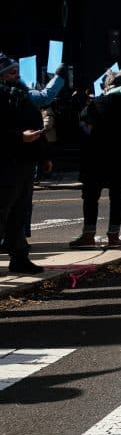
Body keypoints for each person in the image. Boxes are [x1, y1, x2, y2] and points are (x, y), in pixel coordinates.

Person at [69, 69, 121, 248]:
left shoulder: (99, 101)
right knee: (118, 197)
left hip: (97, 158)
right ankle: (114, 236)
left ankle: (88, 236)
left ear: (108, 85)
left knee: (91, 197)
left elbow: (83, 119)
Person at [0, 53, 45, 275]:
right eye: (10, 71)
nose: (15, 74)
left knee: (19, 213)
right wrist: (19, 137)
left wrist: (44, 155)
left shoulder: (22, 95)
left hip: (24, 163)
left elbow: (36, 121)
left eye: (16, 70)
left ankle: (19, 258)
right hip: (5, 164)